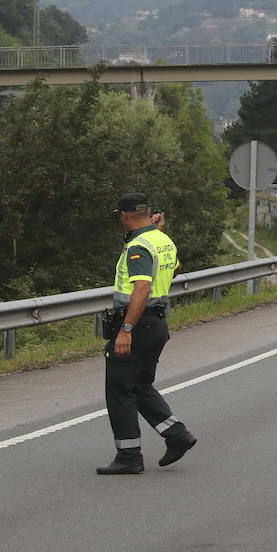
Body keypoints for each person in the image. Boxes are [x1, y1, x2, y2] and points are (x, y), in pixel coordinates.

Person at [96, 192, 197, 475]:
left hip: (138, 325)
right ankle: (177, 435)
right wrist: (158, 231)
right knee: (139, 386)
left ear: (124, 215)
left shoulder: (139, 246)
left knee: (119, 387)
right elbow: (174, 269)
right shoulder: (162, 240)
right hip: (157, 324)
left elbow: (141, 288)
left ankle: (128, 456)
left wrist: (126, 329)